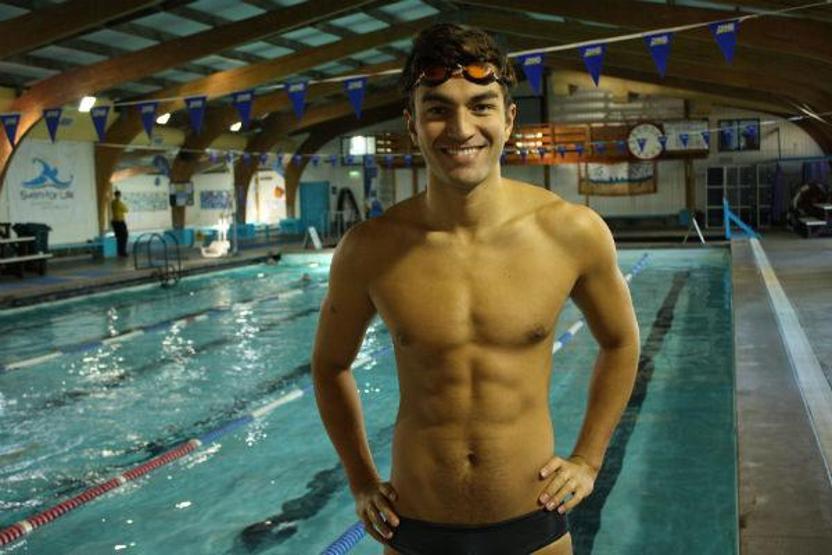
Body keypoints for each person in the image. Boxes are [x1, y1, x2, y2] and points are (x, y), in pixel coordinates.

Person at [311, 24, 640, 555]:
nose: (461, 128)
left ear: (508, 119)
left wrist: (588, 459)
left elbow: (621, 342)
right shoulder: (369, 249)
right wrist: (361, 480)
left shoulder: (571, 232)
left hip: (532, 522)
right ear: (413, 124)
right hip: (413, 526)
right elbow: (329, 366)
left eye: (481, 106)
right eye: (438, 109)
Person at [110, 190, 129, 258]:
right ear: (119, 195)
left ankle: (119, 252)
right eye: (119, 195)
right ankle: (122, 252)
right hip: (120, 222)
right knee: (124, 236)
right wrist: (123, 204)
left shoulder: (112, 202)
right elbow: (126, 210)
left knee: (118, 237)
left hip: (114, 222)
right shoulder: (119, 203)